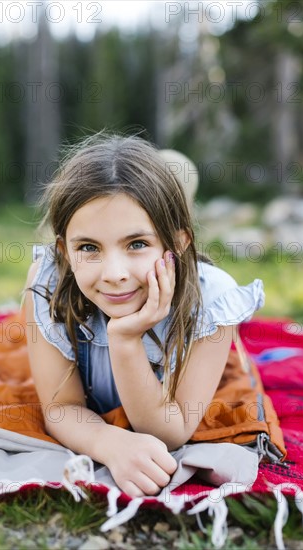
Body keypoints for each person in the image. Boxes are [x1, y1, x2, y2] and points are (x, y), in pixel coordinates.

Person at [24, 132, 265, 498]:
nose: (114, 272)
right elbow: (60, 407)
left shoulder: (214, 298)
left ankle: (175, 189)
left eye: (137, 243)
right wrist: (109, 443)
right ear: (64, 251)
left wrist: (125, 340)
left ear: (179, 244)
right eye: (89, 247)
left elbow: (172, 431)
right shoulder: (49, 282)